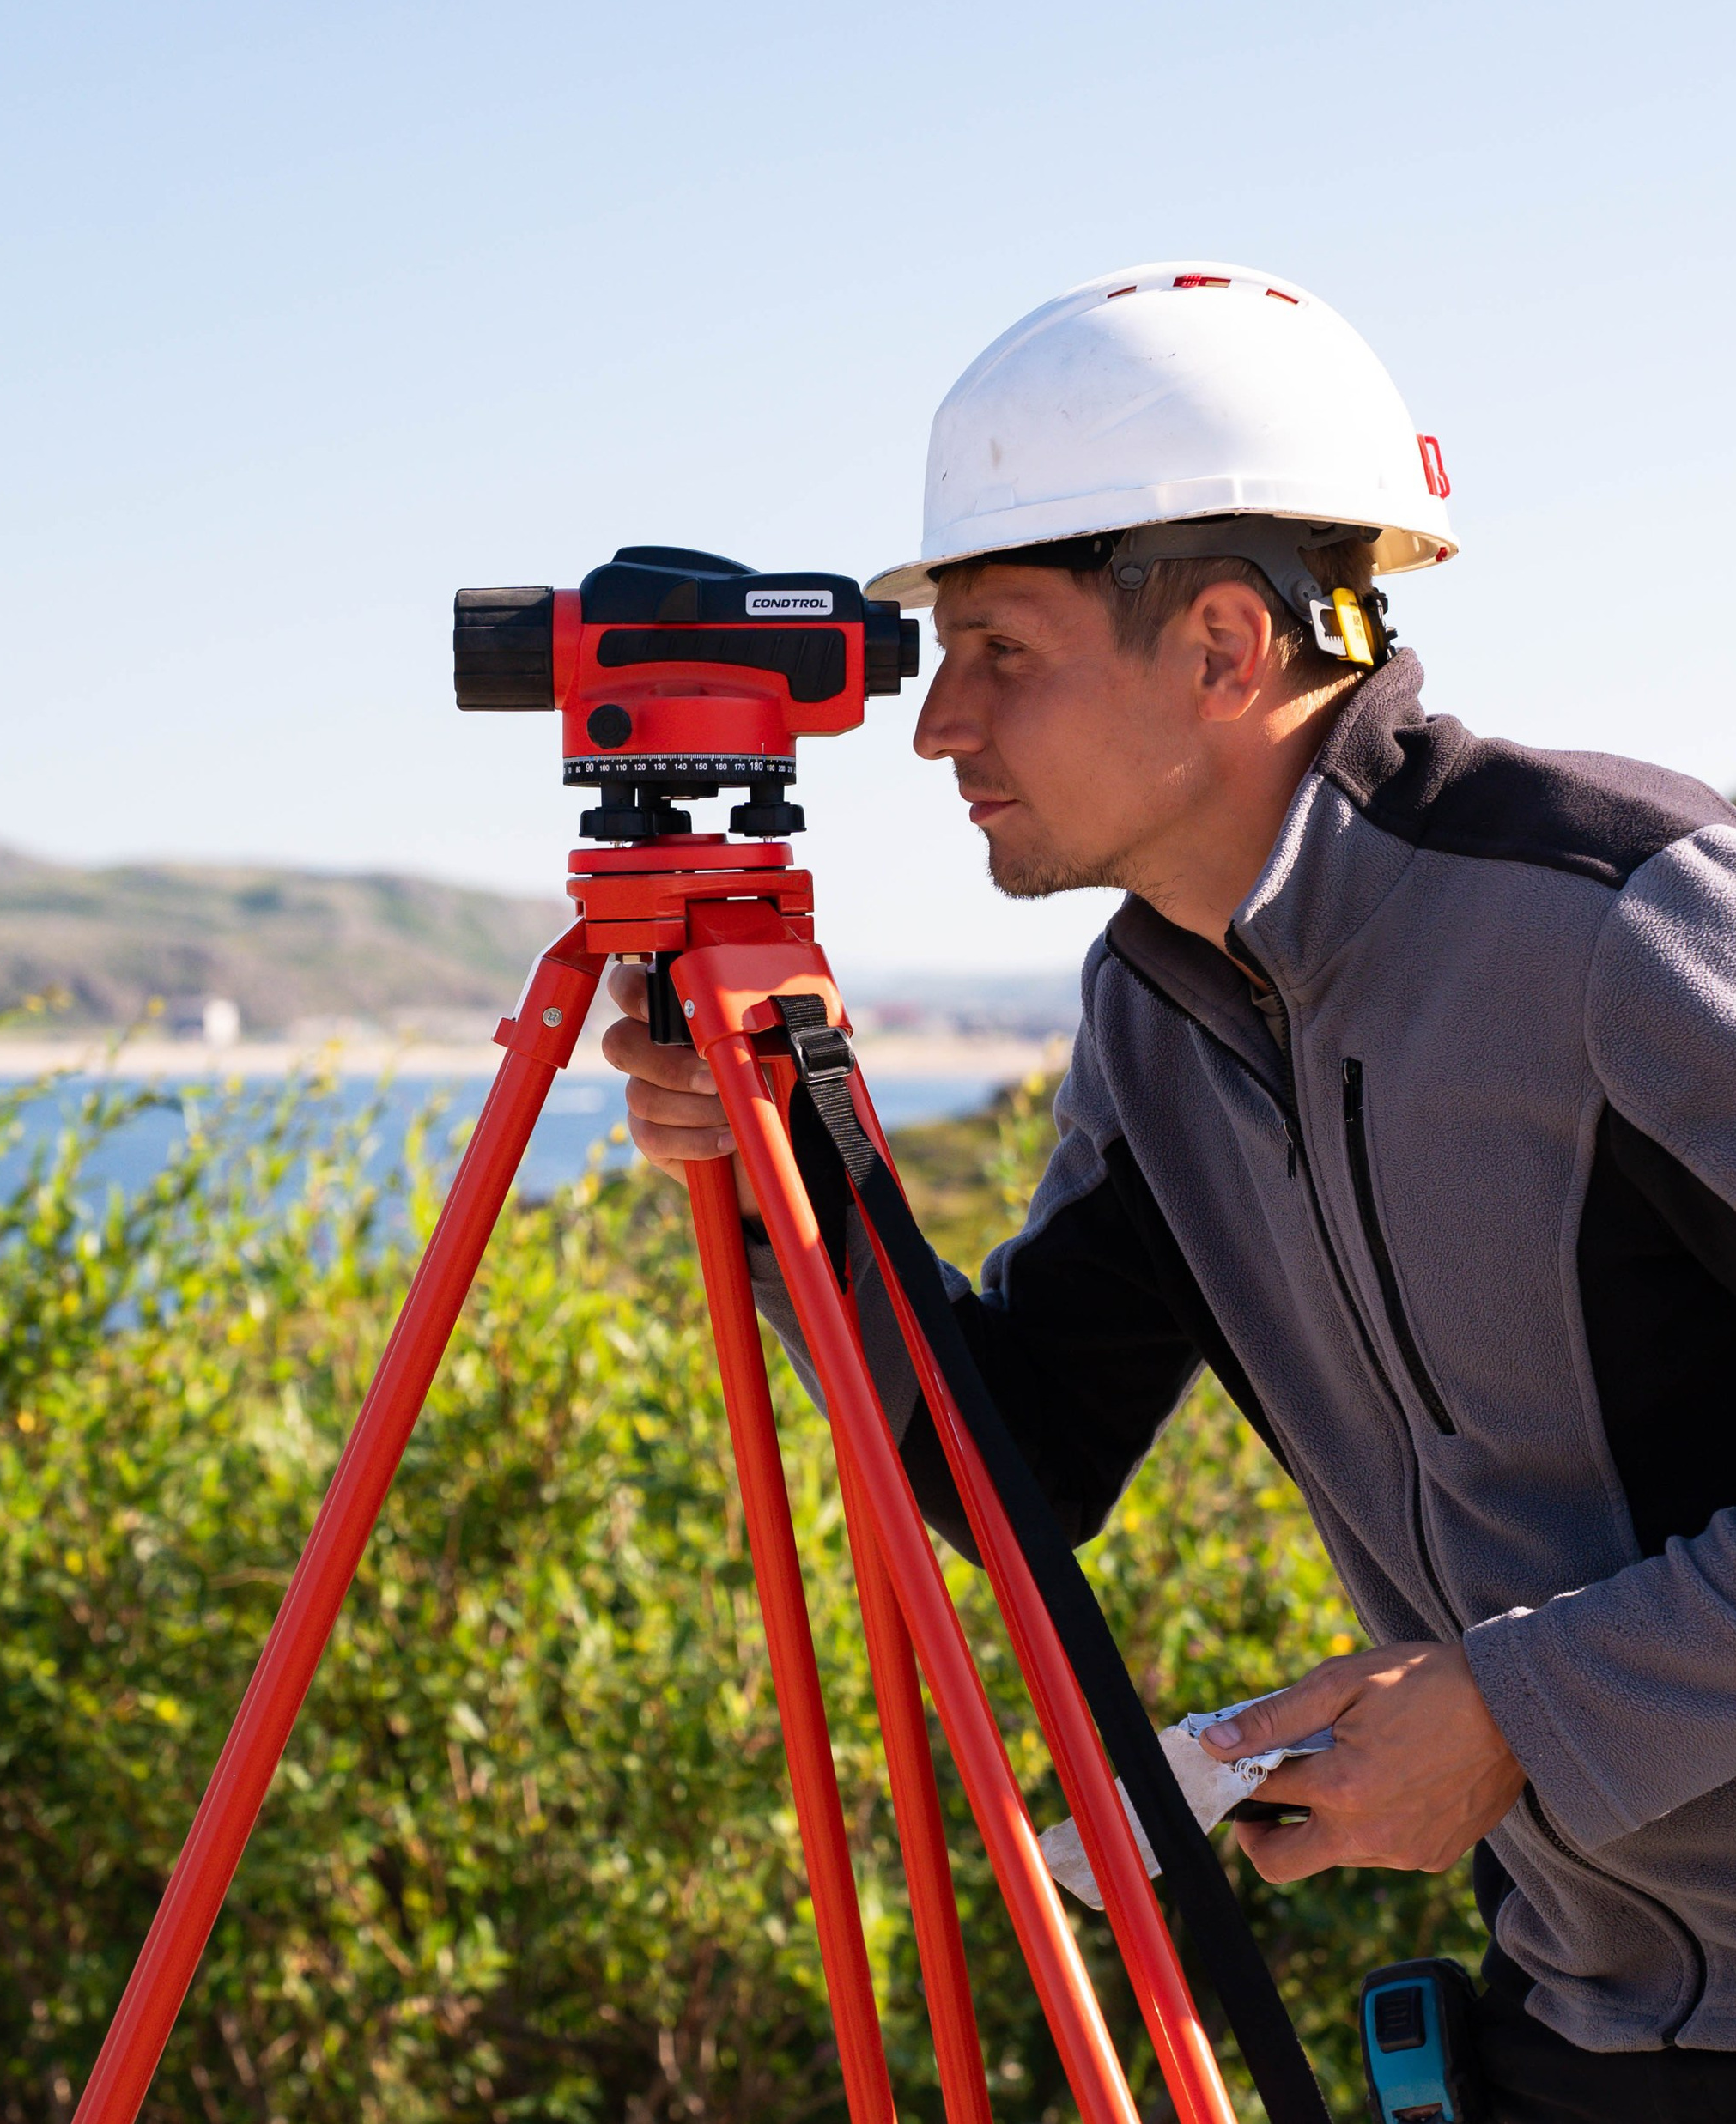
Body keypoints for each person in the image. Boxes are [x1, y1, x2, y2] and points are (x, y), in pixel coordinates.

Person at [604, 262, 1736, 2123]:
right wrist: (779, 1170)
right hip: (1584, 2025)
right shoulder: (1155, 1008)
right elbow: (1017, 1459)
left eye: (1001, 653)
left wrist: (1518, 1708)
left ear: (1220, 648)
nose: (932, 726)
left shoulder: (1622, 917)